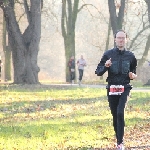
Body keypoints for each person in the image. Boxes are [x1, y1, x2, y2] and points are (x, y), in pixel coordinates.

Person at [95, 30, 137, 150]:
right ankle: (118, 138)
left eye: (123, 38)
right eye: (119, 38)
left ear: (126, 40)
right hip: (112, 87)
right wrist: (106, 66)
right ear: (115, 39)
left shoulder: (131, 56)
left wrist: (133, 76)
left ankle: (120, 142)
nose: (121, 40)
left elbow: (134, 72)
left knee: (120, 112)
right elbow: (98, 72)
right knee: (115, 115)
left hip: (125, 87)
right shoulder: (108, 54)